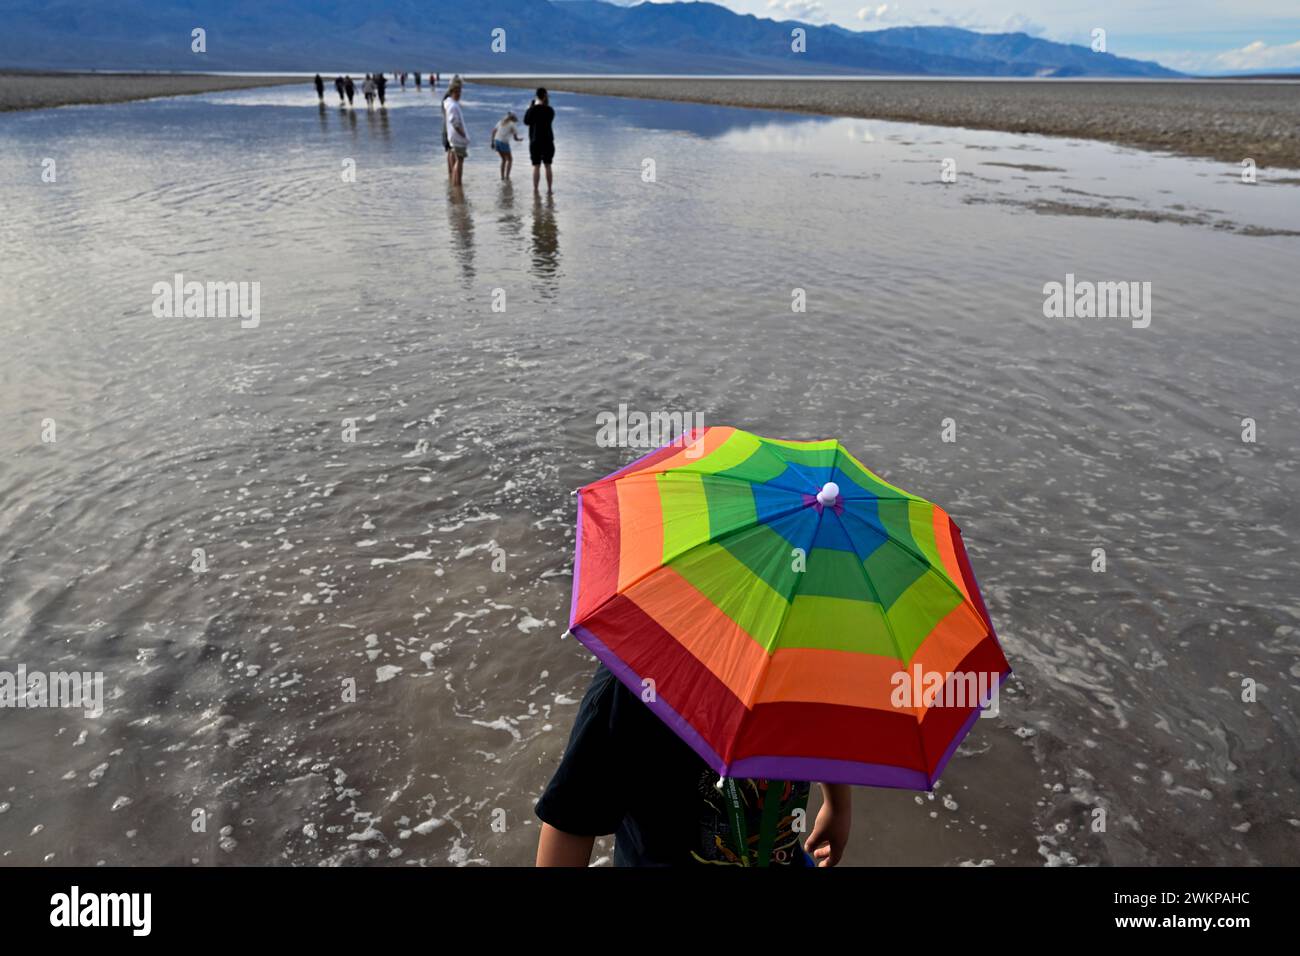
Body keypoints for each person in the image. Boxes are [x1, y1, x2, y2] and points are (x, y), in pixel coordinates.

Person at [535, 662, 853, 867]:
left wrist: (838, 804)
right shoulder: (636, 681)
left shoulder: (805, 662)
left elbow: (823, 728)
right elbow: (571, 819)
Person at [524, 88, 556, 195]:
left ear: (537, 96)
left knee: (536, 166)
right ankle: (550, 190)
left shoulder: (533, 109)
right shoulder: (550, 110)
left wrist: (530, 108)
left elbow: (526, 121)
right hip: (548, 140)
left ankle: (536, 190)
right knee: (548, 165)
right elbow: (549, 120)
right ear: (545, 96)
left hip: (535, 140)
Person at [443, 76, 469, 186]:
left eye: (460, 91)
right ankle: (457, 185)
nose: (460, 94)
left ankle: (455, 185)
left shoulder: (449, 103)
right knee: (459, 161)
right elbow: (454, 122)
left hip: (453, 138)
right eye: (458, 91)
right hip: (458, 139)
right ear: (453, 91)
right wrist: (463, 134)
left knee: (458, 161)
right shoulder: (453, 105)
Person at [490, 112, 523, 181]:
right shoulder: (512, 124)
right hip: (503, 143)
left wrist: (492, 142)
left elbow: (493, 131)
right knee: (510, 160)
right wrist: (520, 139)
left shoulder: (500, 122)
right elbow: (515, 138)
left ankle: (502, 177)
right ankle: (507, 177)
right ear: (514, 119)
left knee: (504, 160)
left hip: (496, 141)